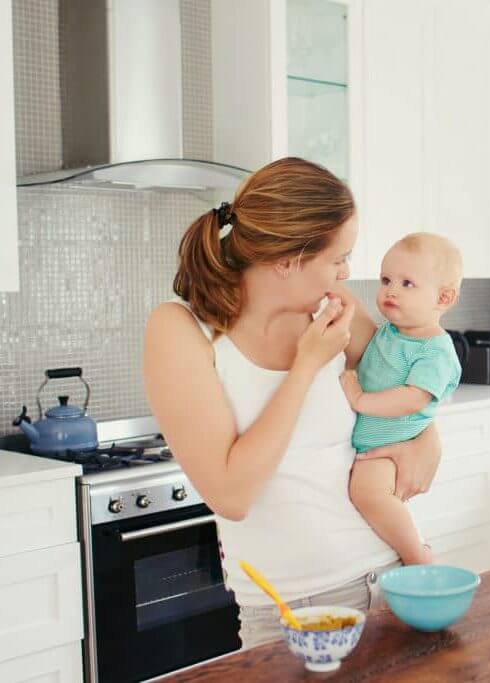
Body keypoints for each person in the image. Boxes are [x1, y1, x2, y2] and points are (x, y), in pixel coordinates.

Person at [142, 157, 442, 649]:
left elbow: (409, 397)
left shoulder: (333, 310)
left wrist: (429, 438)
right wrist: (306, 368)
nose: (346, 271)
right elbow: (232, 494)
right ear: (286, 260)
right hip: (295, 614)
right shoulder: (181, 331)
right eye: (337, 258)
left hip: (393, 578)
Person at [340, 233, 463, 565]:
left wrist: (360, 399)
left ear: (444, 297)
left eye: (408, 283)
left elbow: (413, 399)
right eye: (386, 280)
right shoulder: (390, 332)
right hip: (373, 445)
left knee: (367, 494)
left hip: (391, 448)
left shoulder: (434, 349)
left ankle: (417, 556)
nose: (391, 290)